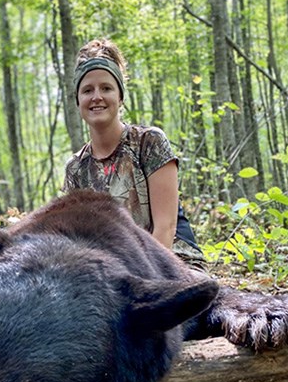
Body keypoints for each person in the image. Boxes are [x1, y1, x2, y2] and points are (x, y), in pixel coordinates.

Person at [63, 38, 206, 270]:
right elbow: (79, 243)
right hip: (116, 275)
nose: (96, 97)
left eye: (106, 88)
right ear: (78, 101)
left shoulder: (149, 143)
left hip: (173, 262)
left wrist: (143, 284)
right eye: (87, 90)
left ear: (120, 97)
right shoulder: (76, 168)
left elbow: (166, 227)